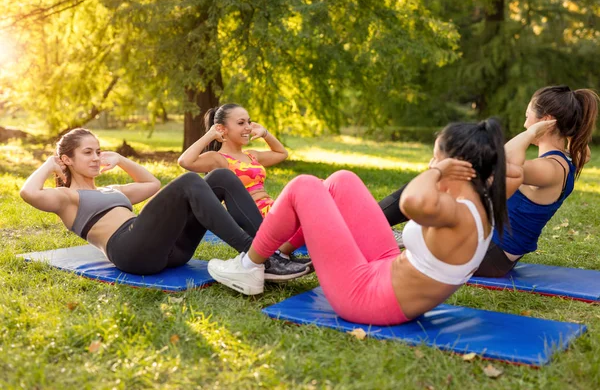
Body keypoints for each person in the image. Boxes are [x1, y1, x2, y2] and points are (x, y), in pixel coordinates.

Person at [207, 120, 507, 327]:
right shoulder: (483, 199)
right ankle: (278, 255)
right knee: (341, 180)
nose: (431, 165)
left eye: (435, 158)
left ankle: (248, 267)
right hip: (388, 270)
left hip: (369, 298)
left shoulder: (454, 210)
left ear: (458, 168)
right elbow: (512, 166)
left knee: (303, 186)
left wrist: (436, 171)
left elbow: (411, 202)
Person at [379, 85, 598, 278]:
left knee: (435, 181)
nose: (524, 124)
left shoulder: (550, 169)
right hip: (494, 254)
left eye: (527, 116)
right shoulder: (570, 159)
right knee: (451, 179)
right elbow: (583, 151)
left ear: (545, 121)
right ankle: (397, 227)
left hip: (490, 256)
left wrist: (531, 134)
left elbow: (501, 159)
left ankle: (383, 224)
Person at [19, 128, 272, 276]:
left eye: (98, 151)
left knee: (221, 176)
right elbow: (28, 193)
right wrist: (48, 164)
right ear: (67, 160)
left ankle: (270, 251)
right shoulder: (68, 198)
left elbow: (152, 184)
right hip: (132, 252)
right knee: (189, 182)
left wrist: (121, 159)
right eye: (88, 153)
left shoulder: (112, 189)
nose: (96, 158)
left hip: (171, 251)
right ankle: (259, 255)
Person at [178, 103, 310, 280]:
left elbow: (281, 153)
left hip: (271, 208)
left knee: (312, 208)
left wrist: (265, 134)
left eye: (249, 122)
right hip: (253, 216)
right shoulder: (218, 159)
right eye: (241, 123)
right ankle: (279, 252)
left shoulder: (251, 155)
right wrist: (210, 135)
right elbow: (185, 161)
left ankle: (283, 254)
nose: (248, 127)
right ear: (222, 129)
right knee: (307, 217)